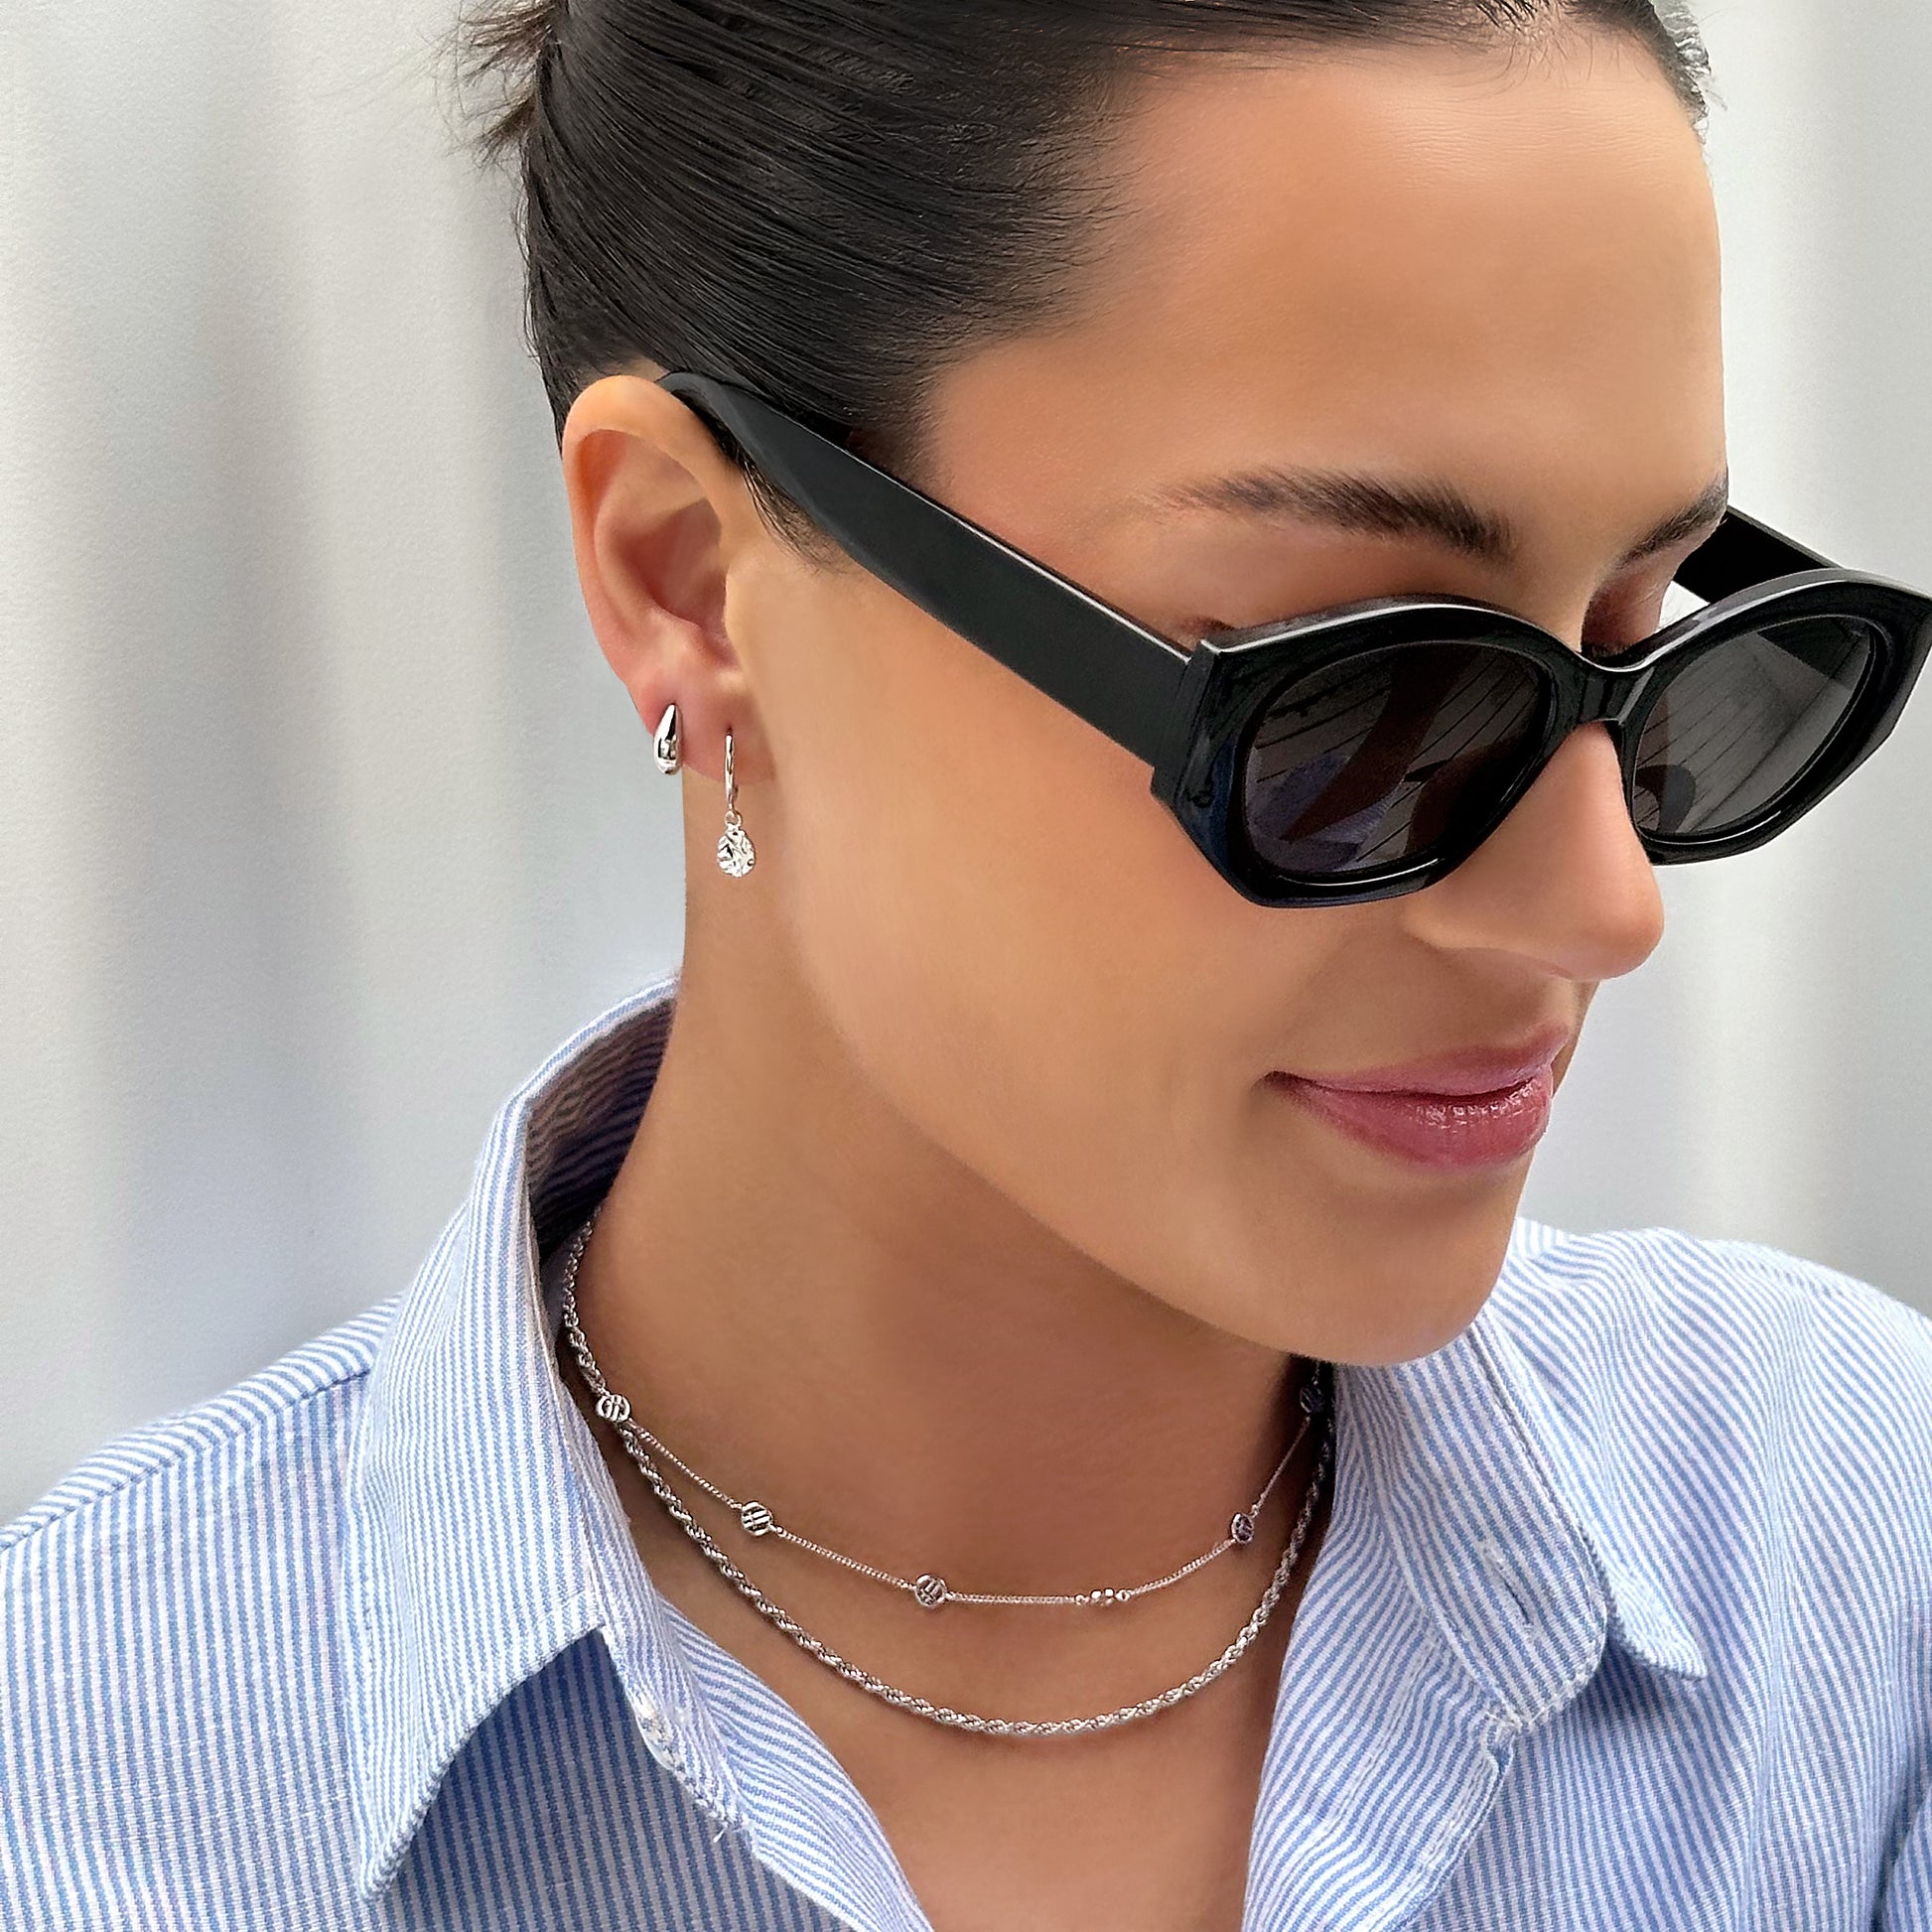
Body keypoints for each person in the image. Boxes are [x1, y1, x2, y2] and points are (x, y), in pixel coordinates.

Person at [4, 2, 1931, 1927]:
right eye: (1361, 688)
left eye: (1648, 639)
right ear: (686, 570)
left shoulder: (1842, 1570)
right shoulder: (96, 1784)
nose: (1602, 901)